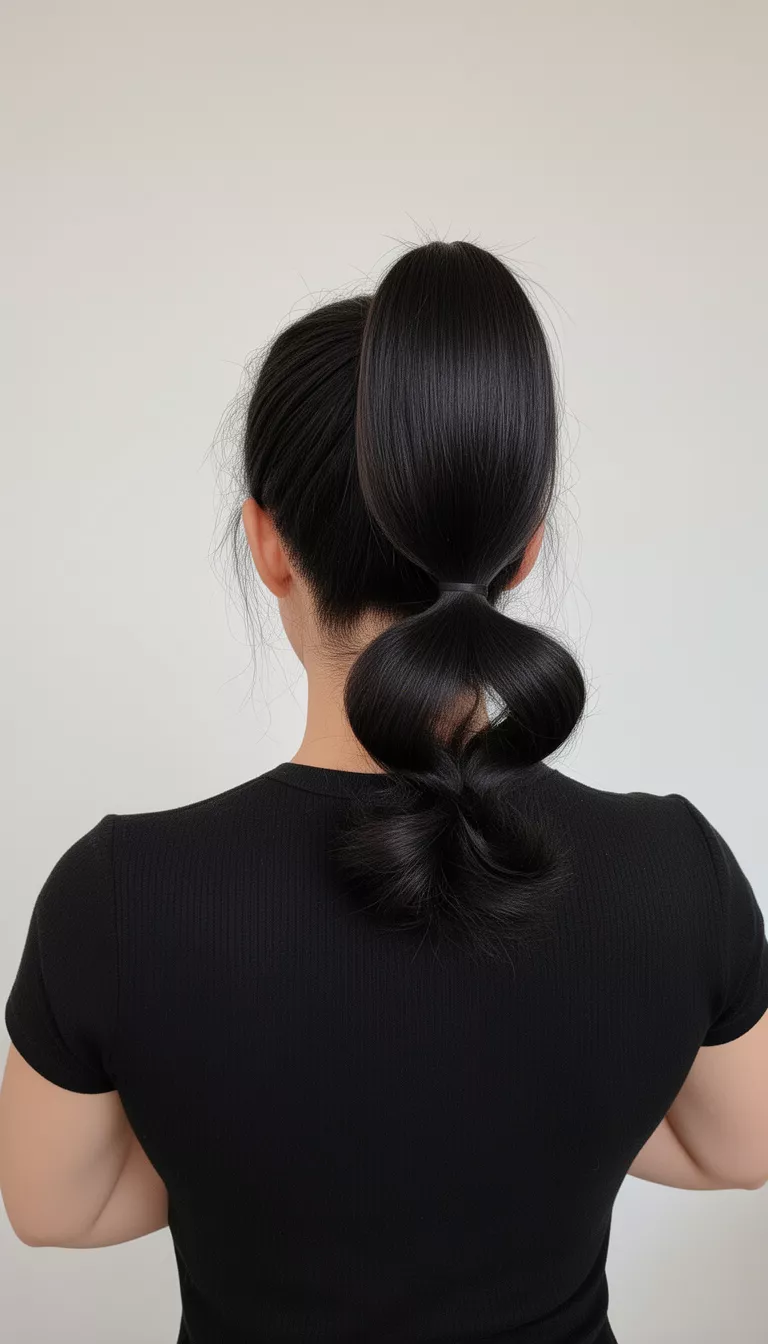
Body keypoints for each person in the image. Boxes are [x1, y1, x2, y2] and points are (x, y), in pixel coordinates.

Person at [1, 239, 767, 1344]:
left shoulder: (120, 893)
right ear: (524, 550)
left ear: (267, 543)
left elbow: (54, 1207)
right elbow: (733, 1149)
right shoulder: (675, 873)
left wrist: (254, 1164)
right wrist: (536, 1139)